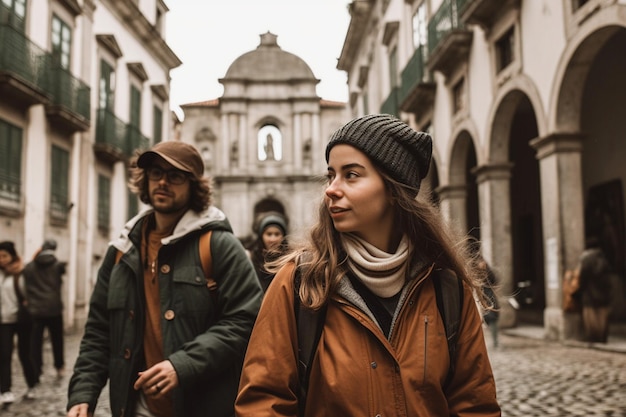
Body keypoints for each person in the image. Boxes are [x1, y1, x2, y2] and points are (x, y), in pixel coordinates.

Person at [235, 114, 501, 416]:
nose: (331, 189)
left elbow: (475, 404)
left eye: (351, 175)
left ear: (393, 189)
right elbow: (263, 401)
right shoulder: (297, 281)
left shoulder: (447, 288)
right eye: (330, 175)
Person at [67, 141, 264, 417]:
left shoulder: (219, 245)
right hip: (135, 406)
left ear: (194, 185)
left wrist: (182, 365)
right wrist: (83, 393)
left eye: (175, 176)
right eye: (156, 173)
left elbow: (246, 319)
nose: (162, 182)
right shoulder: (122, 251)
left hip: (203, 405)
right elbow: (99, 331)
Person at [0, 241, 39, 404]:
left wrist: (30, 302)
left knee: (24, 354)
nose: (1, 259)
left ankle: (32, 385)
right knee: (4, 354)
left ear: (12, 256)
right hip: (4, 321)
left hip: (23, 320)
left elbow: (34, 292)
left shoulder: (23, 272)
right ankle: (6, 390)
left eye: (4, 256)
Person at [23, 238, 67, 381]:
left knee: (35, 341)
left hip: (35, 309)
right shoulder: (58, 265)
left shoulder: (30, 266)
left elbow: (27, 272)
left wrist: (35, 255)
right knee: (57, 339)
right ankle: (59, 367)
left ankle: (38, 369)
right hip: (54, 308)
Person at [578, 236, 613, 343]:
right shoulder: (603, 258)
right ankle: (602, 338)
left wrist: (579, 290)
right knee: (602, 316)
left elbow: (582, 278)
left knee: (591, 317)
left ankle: (593, 338)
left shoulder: (586, 259)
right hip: (603, 293)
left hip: (589, 293)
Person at [246, 211, 289, 293]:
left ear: (283, 236)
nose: (272, 239)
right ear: (262, 236)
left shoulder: (290, 259)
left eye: (277, 234)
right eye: (269, 234)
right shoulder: (251, 258)